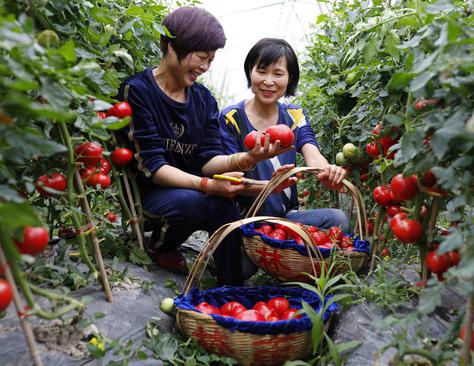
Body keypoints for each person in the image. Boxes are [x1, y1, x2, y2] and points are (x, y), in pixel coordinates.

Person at [115, 8, 290, 285]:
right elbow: (153, 166)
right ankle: (160, 245)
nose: (205, 67)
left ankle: (230, 289)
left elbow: (209, 159)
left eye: (210, 59)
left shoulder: (204, 100)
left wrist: (248, 158)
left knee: (225, 208)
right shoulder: (137, 91)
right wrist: (207, 186)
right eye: (200, 57)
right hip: (150, 194)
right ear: (171, 47)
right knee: (194, 201)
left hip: (191, 189)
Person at [219, 38, 349, 233]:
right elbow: (229, 178)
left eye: (278, 73)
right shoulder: (232, 118)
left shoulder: (294, 115)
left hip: (285, 218)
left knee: (337, 219)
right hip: (243, 219)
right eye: (261, 71)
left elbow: (311, 151)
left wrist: (328, 171)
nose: (268, 81)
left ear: (290, 79)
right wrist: (271, 186)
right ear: (250, 72)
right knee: (241, 263)